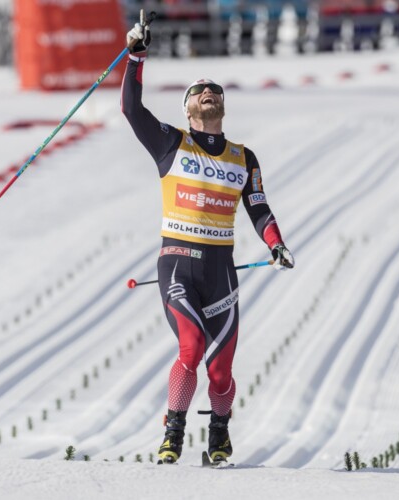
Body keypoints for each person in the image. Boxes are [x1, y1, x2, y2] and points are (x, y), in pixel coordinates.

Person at [121, 10, 295, 465]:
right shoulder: (171, 143)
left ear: (222, 106)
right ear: (188, 109)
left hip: (221, 272)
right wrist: (135, 57)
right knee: (191, 348)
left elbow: (258, 207)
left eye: (214, 90)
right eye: (198, 91)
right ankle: (173, 434)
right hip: (177, 263)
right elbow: (131, 110)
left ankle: (219, 433)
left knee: (220, 371)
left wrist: (275, 243)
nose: (208, 92)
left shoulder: (243, 157)